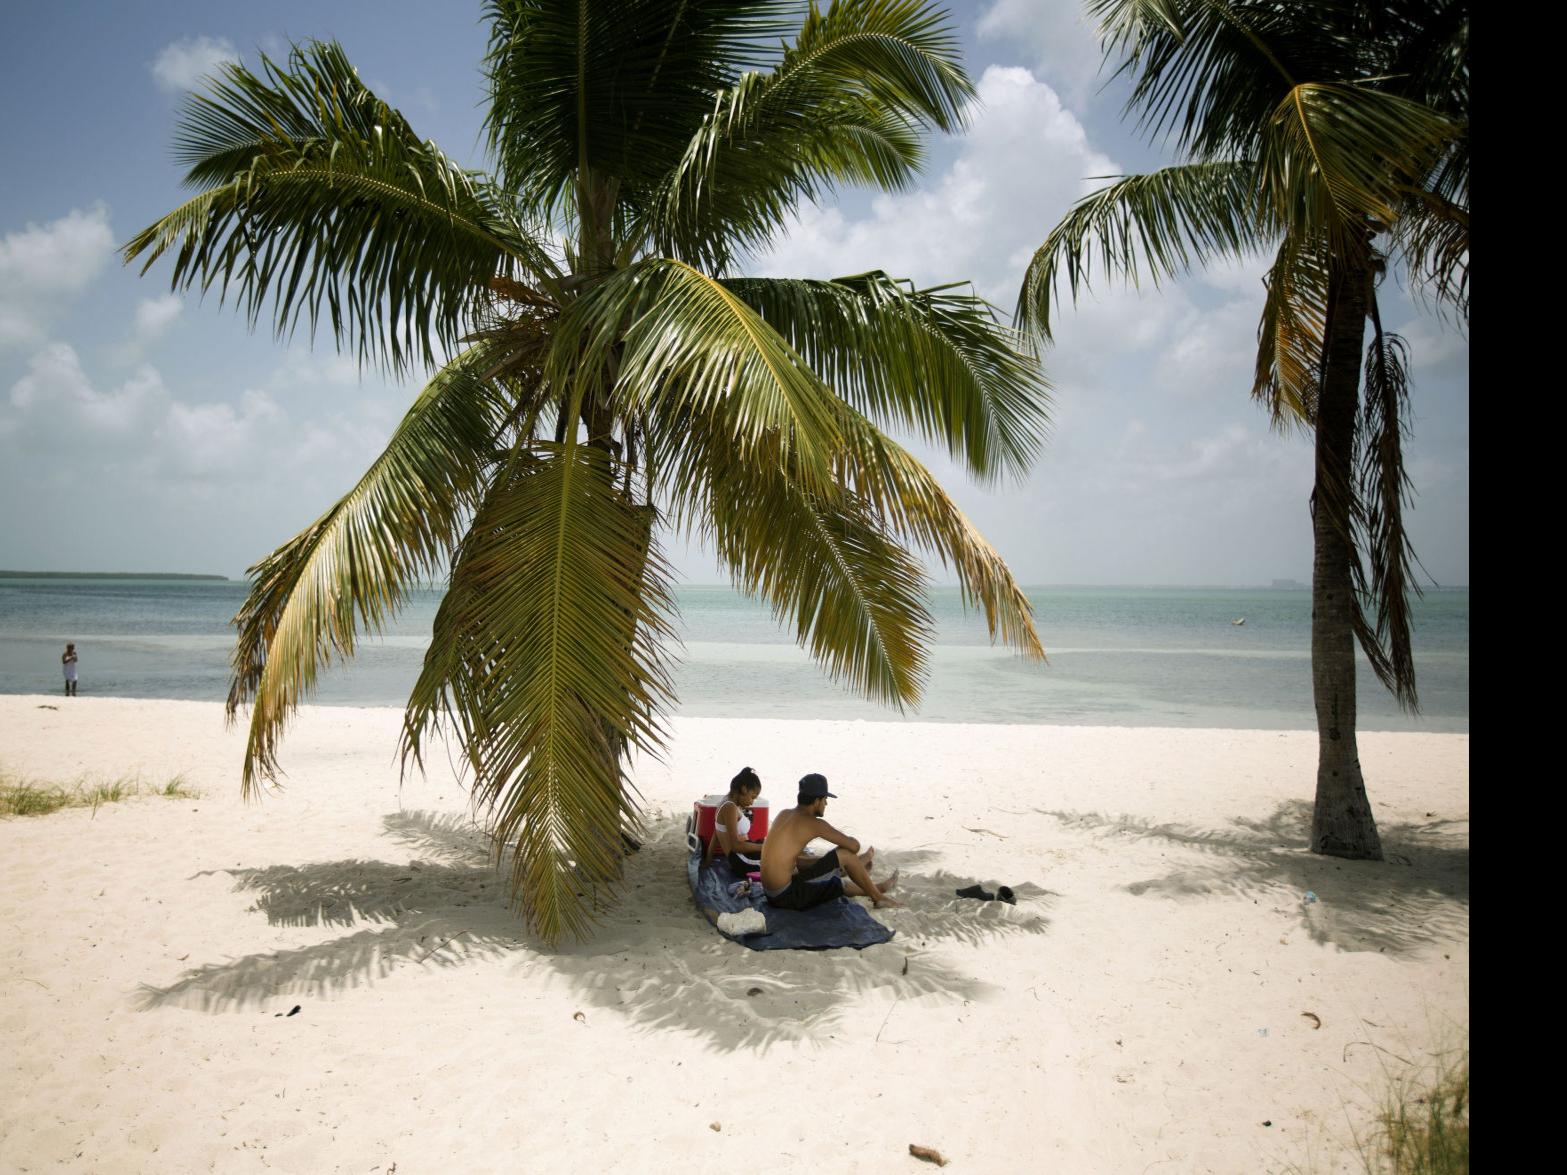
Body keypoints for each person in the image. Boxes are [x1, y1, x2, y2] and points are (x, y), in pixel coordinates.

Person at [759, 773, 899, 910]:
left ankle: (871, 883)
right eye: (825, 799)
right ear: (816, 801)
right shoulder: (814, 824)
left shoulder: (783, 814)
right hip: (786, 896)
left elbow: (791, 860)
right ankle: (878, 897)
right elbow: (854, 846)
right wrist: (841, 850)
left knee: (817, 860)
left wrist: (831, 859)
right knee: (845, 855)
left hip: (771, 893)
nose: (826, 803)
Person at [710, 766, 767, 876]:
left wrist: (708, 859)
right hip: (741, 859)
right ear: (744, 789)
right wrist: (764, 847)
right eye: (752, 797)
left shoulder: (728, 802)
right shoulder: (730, 807)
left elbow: (717, 831)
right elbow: (736, 846)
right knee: (780, 860)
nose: (752, 802)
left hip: (744, 853)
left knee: (774, 846)